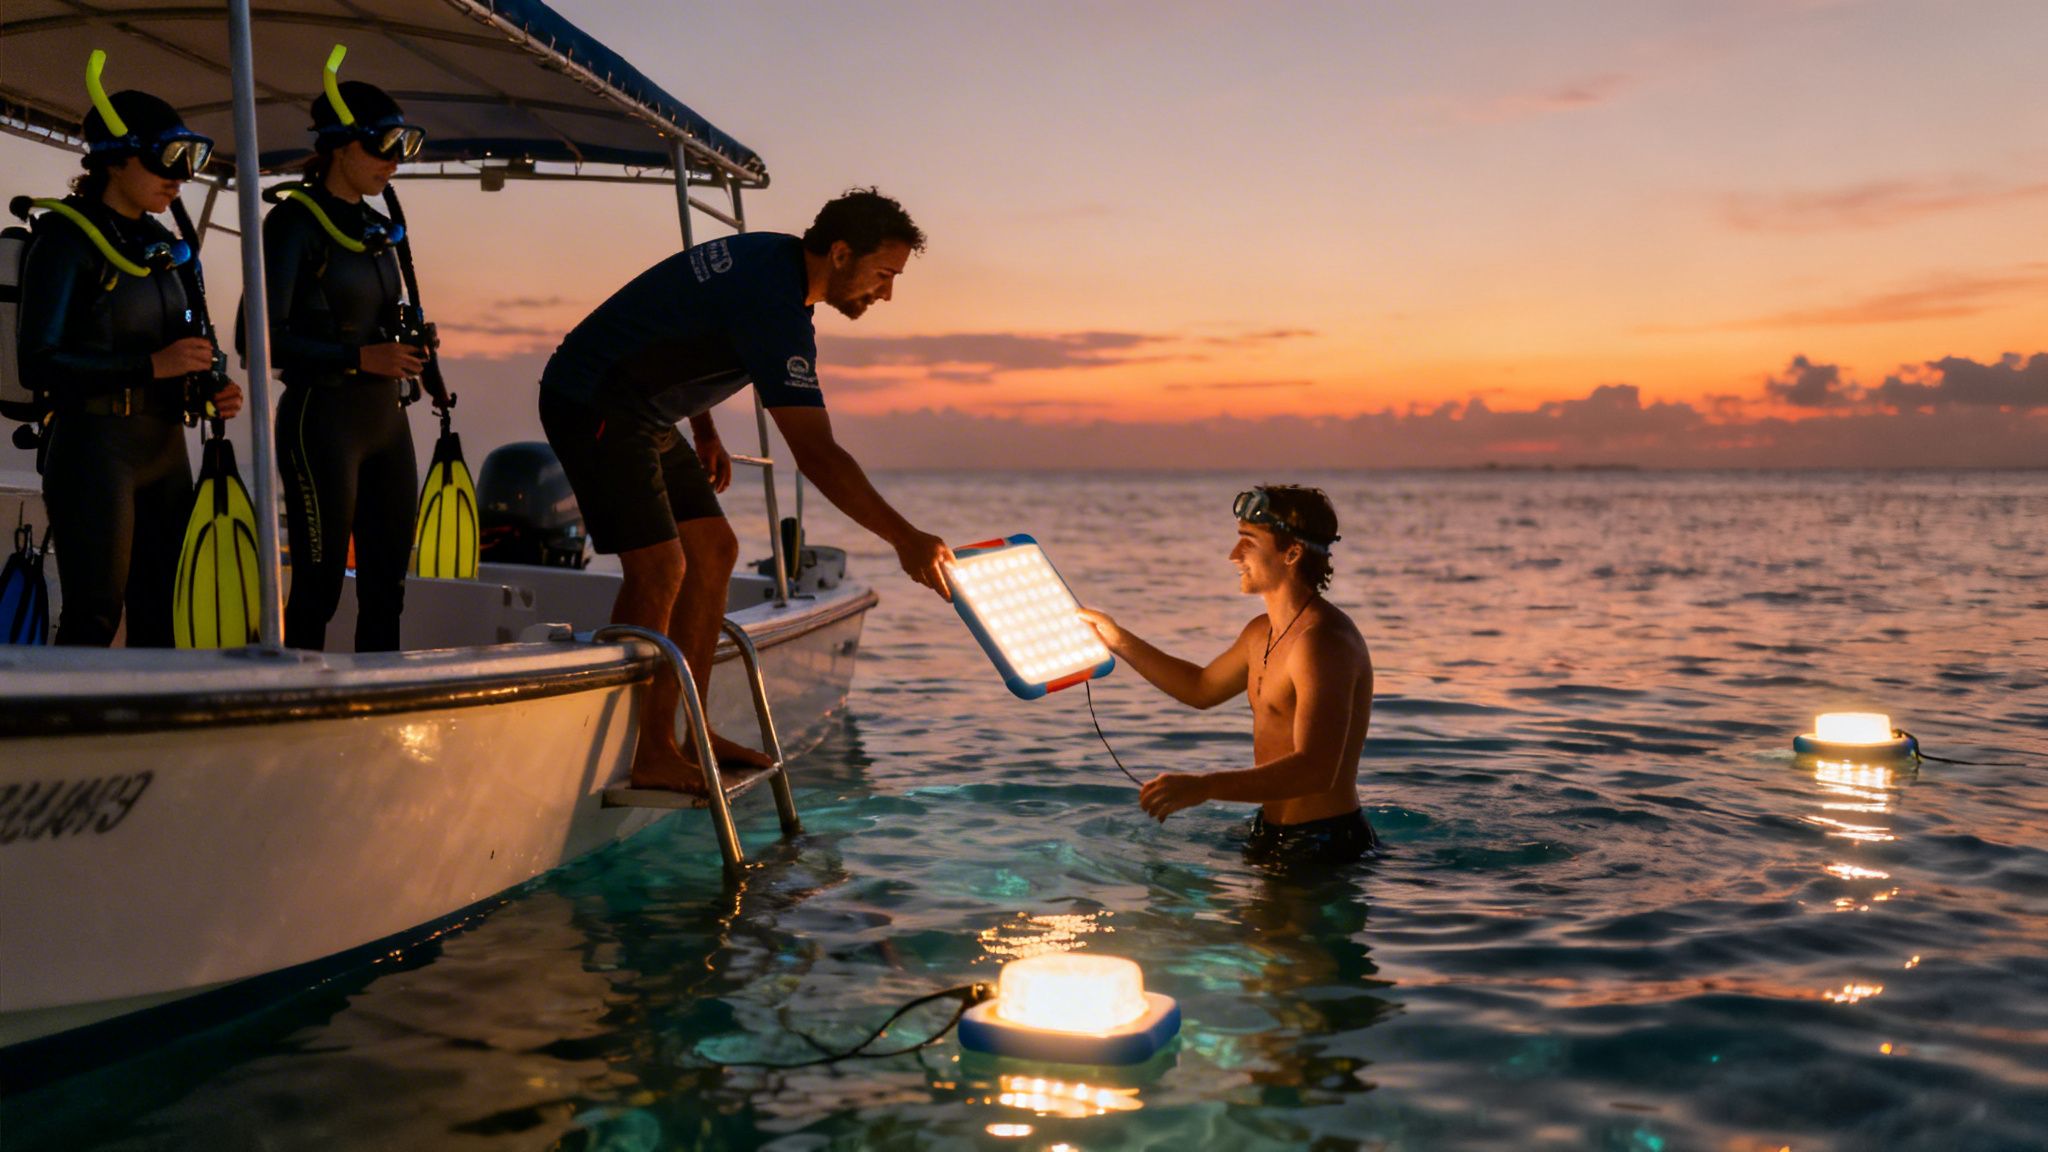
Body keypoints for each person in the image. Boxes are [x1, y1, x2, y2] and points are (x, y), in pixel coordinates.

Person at [539, 188, 952, 794]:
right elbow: (816, 454)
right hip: (594, 400)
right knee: (659, 568)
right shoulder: (775, 306)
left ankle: (691, 731)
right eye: (884, 274)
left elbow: (682, 324)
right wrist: (904, 538)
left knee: (715, 552)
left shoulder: (772, 261)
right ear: (840, 253)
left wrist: (701, 424)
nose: (886, 293)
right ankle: (648, 749)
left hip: (646, 412)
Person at [18, 82, 244, 647]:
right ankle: (65, 736)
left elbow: (188, 343)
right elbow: (38, 363)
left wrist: (211, 384)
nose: (181, 177)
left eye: (189, 160)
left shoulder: (161, 245)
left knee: (164, 615)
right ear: (115, 161)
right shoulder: (67, 240)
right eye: (166, 159)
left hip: (164, 448)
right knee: (95, 614)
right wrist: (150, 367)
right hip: (95, 450)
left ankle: (151, 738)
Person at [1079, 485, 1378, 867]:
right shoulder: (1260, 633)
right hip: (1271, 830)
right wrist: (1118, 640)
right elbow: (1200, 688)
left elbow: (1317, 770)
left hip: (1324, 843)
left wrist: (1205, 786)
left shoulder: (1322, 642)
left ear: (1292, 553)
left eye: (1248, 543)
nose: (1233, 555)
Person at [263, 71, 431, 651]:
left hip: (386, 422)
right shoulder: (293, 224)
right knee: (319, 586)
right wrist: (360, 357)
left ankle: (373, 725)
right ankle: (291, 717)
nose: (395, 163)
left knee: (388, 587)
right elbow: (258, 337)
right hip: (323, 420)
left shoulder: (376, 230)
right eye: (383, 146)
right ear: (341, 146)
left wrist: (410, 349)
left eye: (403, 147)